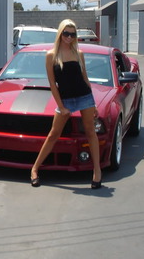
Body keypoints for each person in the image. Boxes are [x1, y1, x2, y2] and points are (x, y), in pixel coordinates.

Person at [30, 19, 102, 189]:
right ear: (60, 33)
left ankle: (97, 172)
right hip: (65, 100)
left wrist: (94, 103)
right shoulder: (51, 55)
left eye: (72, 34)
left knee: (91, 132)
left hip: (84, 97)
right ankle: (34, 169)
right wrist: (61, 106)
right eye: (66, 33)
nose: (69, 37)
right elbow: (52, 84)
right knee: (53, 134)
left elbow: (85, 79)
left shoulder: (79, 53)